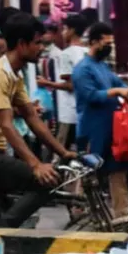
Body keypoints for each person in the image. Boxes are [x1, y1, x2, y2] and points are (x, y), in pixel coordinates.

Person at [0, 11, 76, 228]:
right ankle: (4, 234)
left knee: (38, 180)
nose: (42, 49)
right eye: (37, 43)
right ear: (22, 44)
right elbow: (6, 124)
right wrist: (36, 165)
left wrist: (64, 152)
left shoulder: (14, 74)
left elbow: (31, 117)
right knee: (47, 182)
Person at [72, 21, 128, 219]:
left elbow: (119, 83)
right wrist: (117, 91)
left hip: (112, 129)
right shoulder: (82, 69)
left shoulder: (102, 67)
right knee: (89, 172)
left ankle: (122, 213)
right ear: (93, 42)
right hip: (92, 129)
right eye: (106, 43)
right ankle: (79, 209)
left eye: (111, 43)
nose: (110, 47)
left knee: (117, 171)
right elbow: (91, 96)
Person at [48, 14, 89, 152]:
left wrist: (49, 84)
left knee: (61, 151)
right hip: (84, 111)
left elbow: (71, 85)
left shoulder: (66, 54)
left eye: (65, 29)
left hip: (68, 112)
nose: (63, 33)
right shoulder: (88, 52)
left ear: (72, 30)